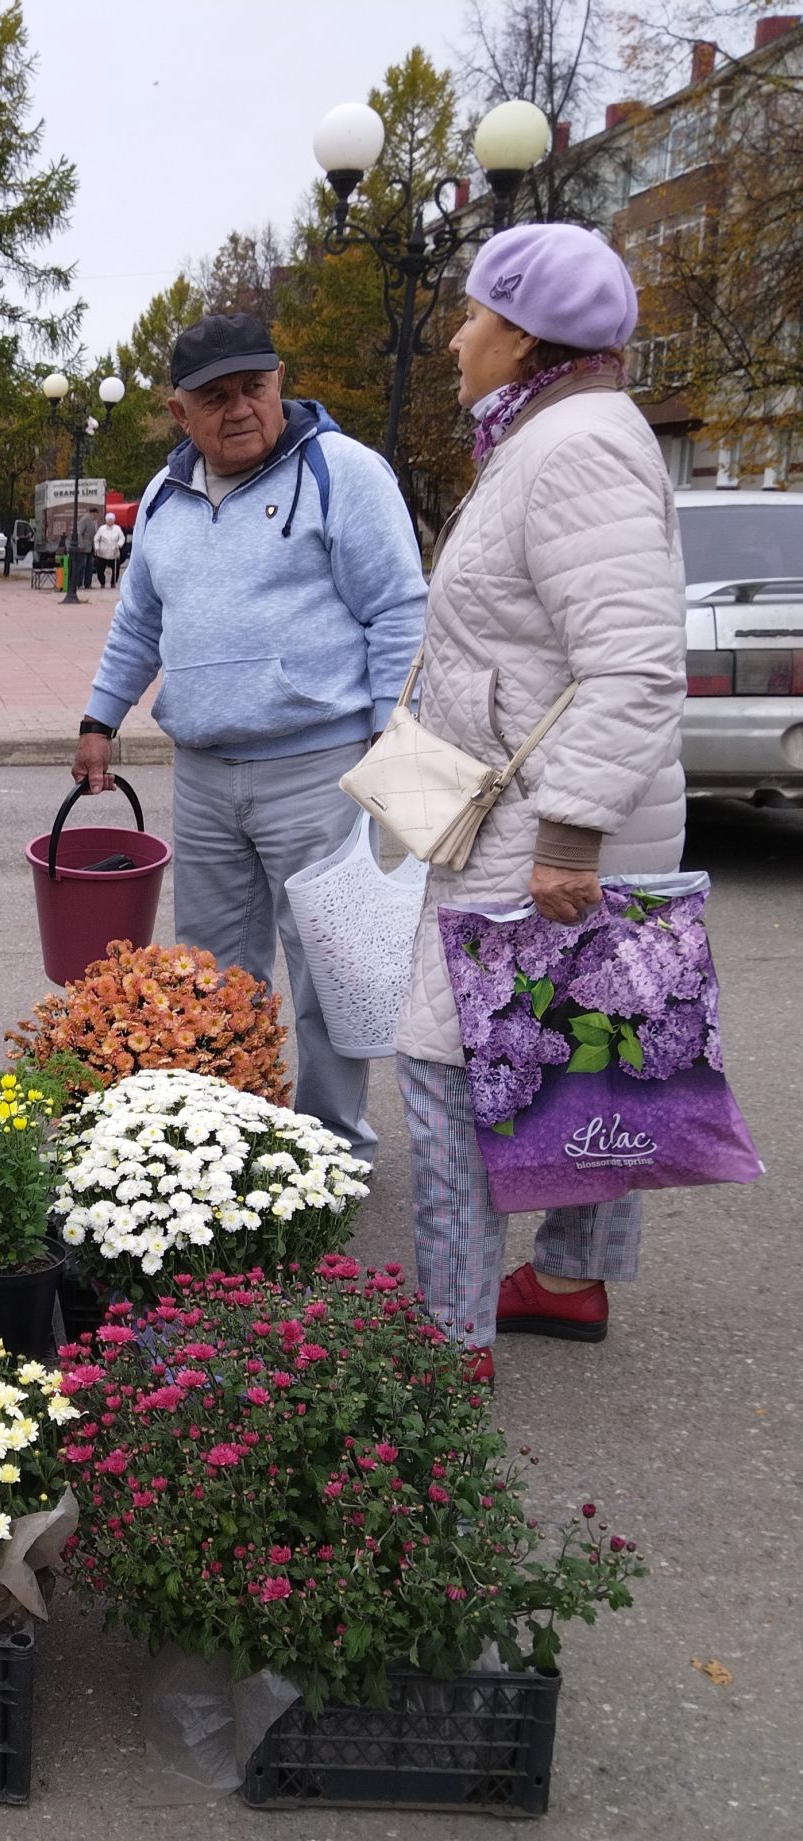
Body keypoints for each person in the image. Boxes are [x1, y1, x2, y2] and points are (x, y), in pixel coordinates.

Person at [394, 224, 685, 1387]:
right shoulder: (559, 434)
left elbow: (635, 662)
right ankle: (566, 1279)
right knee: (594, 1044)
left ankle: (448, 1336)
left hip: (544, 812)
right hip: (542, 790)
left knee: (447, 1058)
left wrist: (569, 836)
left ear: (521, 335)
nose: (458, 337)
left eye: (471, 316)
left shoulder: (572, 450)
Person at [70, 313, 426, 1161]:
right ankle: (227, 1135)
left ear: (280, 381)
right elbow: (138, 624)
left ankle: (333, 1141)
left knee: (327, 967)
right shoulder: (163, 496)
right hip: (203, 772)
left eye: (254, 388)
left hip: (321, 767)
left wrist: (388, 737)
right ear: (179, 410)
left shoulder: (343, 473)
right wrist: (98, 718)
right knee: (211, 971)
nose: (239, 409)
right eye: (215, 396)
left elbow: (400, 609)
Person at [93, 513, 124, 587]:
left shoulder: (117, 528)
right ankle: (102, 583)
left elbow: (122, 538)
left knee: (115, 570)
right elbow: (96, 539)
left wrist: (119, 544)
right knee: (100, 570)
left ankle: (113, 583)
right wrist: (97, 548)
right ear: (106, 521)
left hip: (114, 553)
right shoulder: (102, 528)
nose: (110, 522)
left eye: (112, 520)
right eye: (109, 520)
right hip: (102, 553)